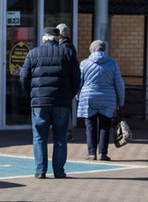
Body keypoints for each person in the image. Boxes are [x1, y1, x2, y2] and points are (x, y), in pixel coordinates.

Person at [20, 27, 80, 179]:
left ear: (44, 38)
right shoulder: (68, 53)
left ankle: (40, 171)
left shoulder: (33, 53)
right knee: (60, 136)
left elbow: (23, 78)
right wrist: (69, 95)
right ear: (57, 38)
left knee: (39, 136)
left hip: (39, 102)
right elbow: (76, 79)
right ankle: (59, 171)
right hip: (62, 101)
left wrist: (32, 94)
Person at [77, 40, 125, 161]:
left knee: (90, 126)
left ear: (91, 49)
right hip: (108, 98)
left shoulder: (84, 63)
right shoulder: (112, 63)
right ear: (104, 49)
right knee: (105, 126)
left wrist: (78, 96)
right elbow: (119, 84)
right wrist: (121, 101)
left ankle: (91, 153)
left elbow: (79, 82)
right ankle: (102, 153)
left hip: (88, 97)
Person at [56, 23, 78, 141]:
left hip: (61, 83)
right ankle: (67, 132)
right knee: (66, 109)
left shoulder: (61, 48)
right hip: (68, 85)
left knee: (61, 109)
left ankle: (65, 132)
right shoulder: (71, 47)